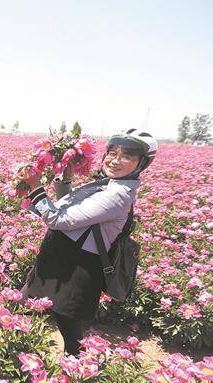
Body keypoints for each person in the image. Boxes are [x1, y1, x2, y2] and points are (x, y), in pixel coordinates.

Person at [19, 129, 157, 355]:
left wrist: (35, 187)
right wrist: (65, 173)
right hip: (61, 253)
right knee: (26, 298)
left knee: (68, 326)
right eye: (112, 153)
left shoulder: (118, 194)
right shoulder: (106, 184)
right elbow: (69, 202)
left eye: (127, 157)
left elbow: (58, 218)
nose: (115, 160)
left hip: (77, 265)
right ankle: (11, 344)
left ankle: (76, 372)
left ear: (142, 164)